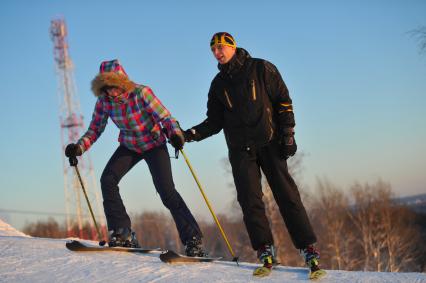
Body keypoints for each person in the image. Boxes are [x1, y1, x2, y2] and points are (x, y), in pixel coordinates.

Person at [184, 33, 321, 272]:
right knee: (249, 201)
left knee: (287, 195)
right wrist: (189, 134)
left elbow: (283, 100)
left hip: (270, 142)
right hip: (240, 150)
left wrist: (288, 133)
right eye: (213, 50)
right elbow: (214, 122)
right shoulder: (218, 84)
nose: (217, 52)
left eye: (221, 47)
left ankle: (308, 248)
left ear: (233, 47)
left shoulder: (261, 68)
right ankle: (265, 250)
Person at [65, 59, 206, 256]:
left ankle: (194, 241)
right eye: (106, 88)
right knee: (108, 179)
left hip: (154, 144)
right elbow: (95, 129)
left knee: (166, 191)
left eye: (114, 86)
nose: (111, 92)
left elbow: (166, 117)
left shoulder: (141, 93)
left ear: (123, 82)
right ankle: (122, 233)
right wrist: (78, 148)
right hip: (130, 145)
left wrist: (175, 134)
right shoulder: (104, 102)